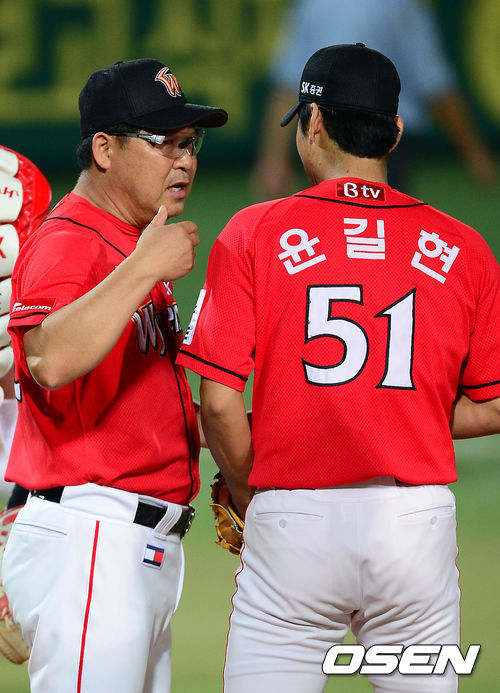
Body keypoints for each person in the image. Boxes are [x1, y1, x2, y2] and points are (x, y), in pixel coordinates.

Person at [177, 43, 500, 693]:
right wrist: (392, 415)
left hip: (294, 521)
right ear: (395, 131)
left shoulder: (254, 232)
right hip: (414, 528)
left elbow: (219, 403)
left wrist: (248, 494)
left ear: (314, 124)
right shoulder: (463, 248)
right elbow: (493, 403)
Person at [2, 58, 227, 692]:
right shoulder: (72, 239)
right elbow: (45, 359)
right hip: (93, 543)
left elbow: (139, 407)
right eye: (164, 143)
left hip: (131, 551)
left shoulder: (127, 240)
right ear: (104, 149)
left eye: (190, 143)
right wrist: (143, 267)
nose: (183, 161)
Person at [253, 0, 497, 198]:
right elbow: (436, 87)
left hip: (322, 134)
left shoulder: (313, 5)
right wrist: (474, 152)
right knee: (386, 225)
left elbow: (288, 87)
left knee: (327, 225)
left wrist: (274, 159)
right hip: (378, 135)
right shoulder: (400, 6)